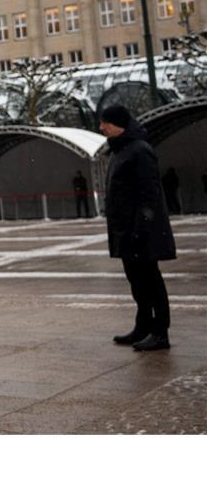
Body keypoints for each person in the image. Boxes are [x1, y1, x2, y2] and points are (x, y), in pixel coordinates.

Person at [99, 104, 176, 352]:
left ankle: (160, 332)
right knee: (137, 282)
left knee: (151, 281)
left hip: (140, 232)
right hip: (125, 231)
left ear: (118, 124)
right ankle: (143, 326)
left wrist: (141, 227)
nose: (101, 128)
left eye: (105, 123)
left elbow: (149, 194)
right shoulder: (119, 150)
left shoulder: (139, 150)